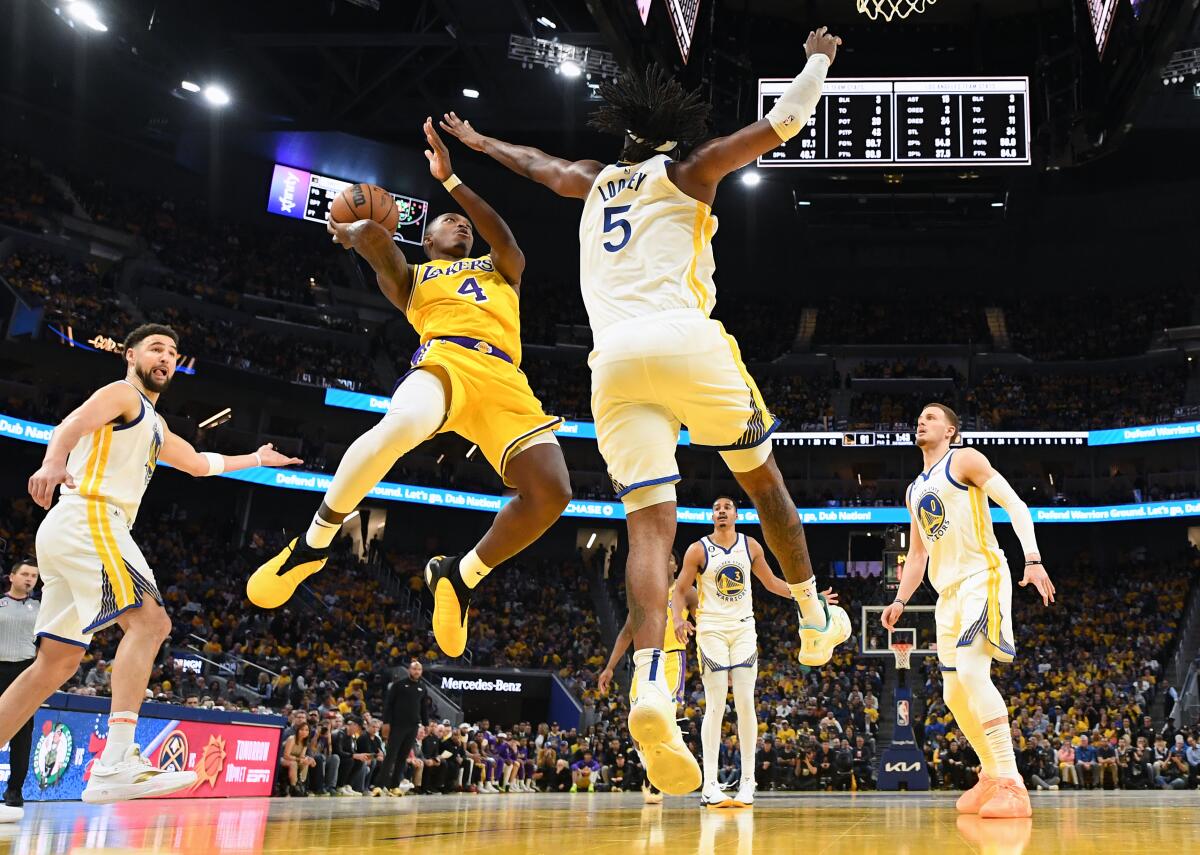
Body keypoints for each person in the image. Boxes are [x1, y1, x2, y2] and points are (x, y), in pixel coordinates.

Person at [440, 28, 851, 794]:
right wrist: (819, 57)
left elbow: (540, 167)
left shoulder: (597, 182)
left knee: (649, 527)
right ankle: (811, 616)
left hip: (613, 363)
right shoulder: (690, 169)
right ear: (672, 137)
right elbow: (784, 122)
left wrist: (479, 141)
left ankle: (652, 685)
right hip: (685, 340)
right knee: (765, 486)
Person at [248, 118, 572, 661]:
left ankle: (460, 576)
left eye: (462, 222)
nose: (460, 225)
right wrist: (352, 233)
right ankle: (313, 544)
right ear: (426, 240)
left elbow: (506, 237)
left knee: (553, 493)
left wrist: (451, 182)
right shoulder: (414, 277)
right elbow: (379, 245)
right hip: (446, 359)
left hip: (506, 381)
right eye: (449, 222)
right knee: (399, 427)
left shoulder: (500, 269)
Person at [13, 324, 300, 818]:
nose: (166, 357)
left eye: (172, 352)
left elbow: (197, 464)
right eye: (156, 348)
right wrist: (51, 462)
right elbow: (71, 425)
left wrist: (256, 457)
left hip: (74, 529)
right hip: (91, 516)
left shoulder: (154, 423)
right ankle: (115, 760)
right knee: (150, 622)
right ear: (131, 355)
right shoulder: (121, 392)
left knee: (55, 665)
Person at [882, 403, 1056, 819]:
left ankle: (1012, 783)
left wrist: (1032, 559)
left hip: (983, 574)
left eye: (931, 417)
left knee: (975, 673)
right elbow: (919, 555)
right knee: (953, 693)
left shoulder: (964, 459)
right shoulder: (914, 490)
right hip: (948, 594)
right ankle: (992, 775)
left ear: (951, 432)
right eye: (919, 416)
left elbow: (1014, 504)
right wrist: (900, 599)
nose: (921, 421)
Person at [672, 496, 836, 808]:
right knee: (716, 705)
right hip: (712, 629)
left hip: (744, 628)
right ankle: (710, 785)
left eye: (727, 507)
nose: (721, 511)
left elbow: (772, 582)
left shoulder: (750, 546)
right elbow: (680, 590)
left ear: (735, 514)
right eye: (716, 508)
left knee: (746, 703)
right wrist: (679, 619)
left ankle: (748, 782)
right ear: (712, 516)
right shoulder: (697, 549)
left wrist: (809, 596)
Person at [597, 550, 694, 805]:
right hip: (644, 660)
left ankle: (655, 779)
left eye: (670, 557)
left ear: (676, 564)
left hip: (672, 658)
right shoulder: (645, 595)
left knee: (662, 715)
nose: (664, 560)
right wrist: (609, 667)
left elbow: (705, 623)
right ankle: (650, 769)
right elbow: (627, 632)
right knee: (638, 722)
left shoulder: (687, 592)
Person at [0, 560, 39, 808]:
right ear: (11, 576)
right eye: (24, 574)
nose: (29, 579)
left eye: (34, 576)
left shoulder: (41, 608)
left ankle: (14, 790)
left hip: (26, 671)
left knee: (22, 734)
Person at [377, 660, 426, 794]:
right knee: (391, 756)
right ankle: (379, 786)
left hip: (413, 726)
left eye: (419, 669)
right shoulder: (398, 685)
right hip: (398, 725)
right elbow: (389, 704)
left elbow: (423, 708)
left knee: (403, 757)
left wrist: (425, 724)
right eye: (414, 669)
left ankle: (394, 786)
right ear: (409, 670)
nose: (416, 671)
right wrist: (386, 722)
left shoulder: (422, 687)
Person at [280, 721, 316, 796]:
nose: (304, 732)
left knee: (306, 762)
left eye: (306, 730)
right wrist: (298, 759)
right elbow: (286, 755)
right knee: (293, 764)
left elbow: (302, 757)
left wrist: (308, 759)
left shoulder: (305, 742)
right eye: (302, 729)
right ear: (298, 730)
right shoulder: (292, 738)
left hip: (295, 759)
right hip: (283, 759)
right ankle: (293, 787)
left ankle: (302, 784)